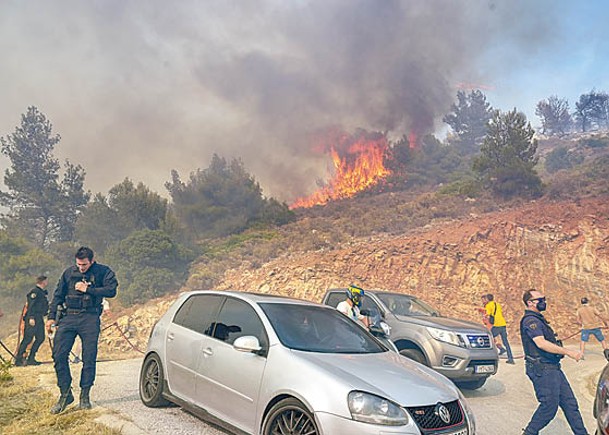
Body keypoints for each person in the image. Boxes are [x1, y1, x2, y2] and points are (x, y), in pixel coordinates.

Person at [45, 247, 118, 414]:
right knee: (59, 355)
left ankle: (85, 396)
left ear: (91, 261)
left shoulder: (103, 271)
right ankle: (65, 393)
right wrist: (50, 317)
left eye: (84, 264)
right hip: (68, 317)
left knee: (89, 357)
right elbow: (57, 295)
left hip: (90, 317)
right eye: (78, 264)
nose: (81, 267)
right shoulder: (68, 273)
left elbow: (111, 291)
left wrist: (89, 289)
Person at [520, 289, 587, 435]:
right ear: (530, 303)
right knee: (548, 407)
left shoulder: (538, 319)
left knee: (570, 404)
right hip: (542, 369)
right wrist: (568, 352)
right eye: (540, 299)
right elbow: (541, 343)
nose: (544, 302)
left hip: (552, 368)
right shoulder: (530, 321)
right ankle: (529, 433)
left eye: (544, 298)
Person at [15, 275, 49, 366]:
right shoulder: (35, 292)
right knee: (27, 339)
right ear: (43, 281)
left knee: (40, 337)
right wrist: (31, 318)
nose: (47, 282)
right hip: (33, 318)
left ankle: (31, 358)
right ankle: (18, 359)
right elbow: (31, 306)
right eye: (46, 281)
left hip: (39, 318)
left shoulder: (42, 292)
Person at [484, 293, 515, 364]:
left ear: (487, 299)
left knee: (489, 338)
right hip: (502, 323)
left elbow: (488, 315)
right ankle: (511, 358)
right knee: (506, 342)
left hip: (496, 324)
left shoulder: (488, 305)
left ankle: (488, 357)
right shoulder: (497, 304)